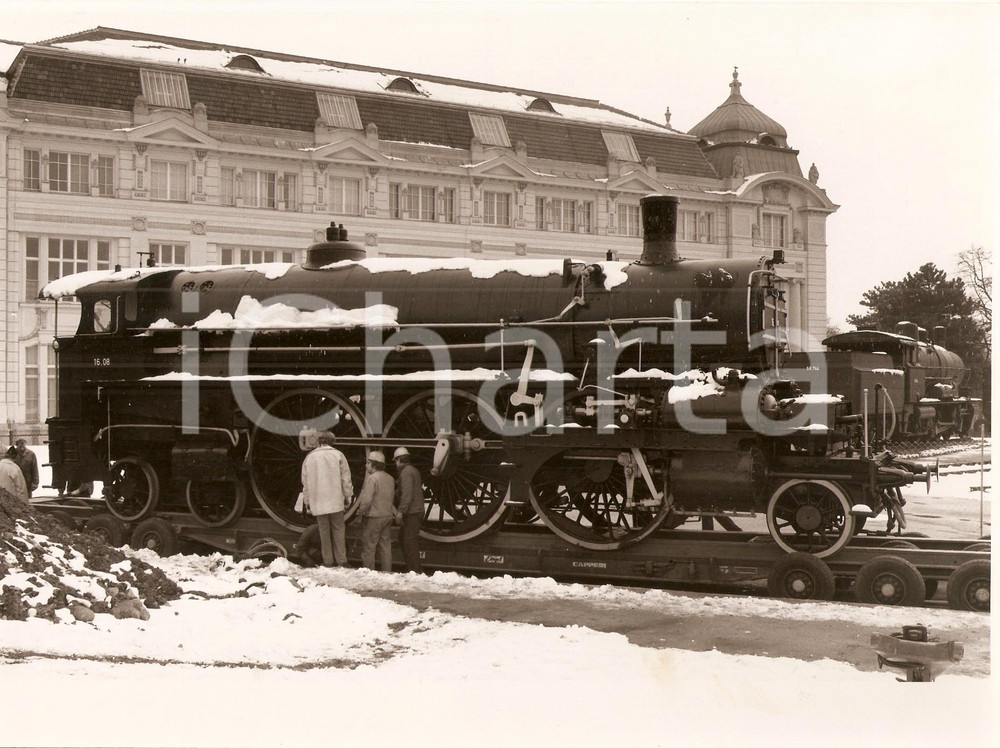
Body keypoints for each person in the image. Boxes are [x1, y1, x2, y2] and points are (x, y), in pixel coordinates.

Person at [300, 431, 354, 568]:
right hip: (336, 501)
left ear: (319, 441)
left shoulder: (309, 457)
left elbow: (305, 483)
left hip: (318, 503)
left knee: (324, 532)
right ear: (332, 441)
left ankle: (328, 561)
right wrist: (348, 496)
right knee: (339, 530)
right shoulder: (338, 455)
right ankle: (342, 560)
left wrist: (307, 502)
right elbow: (345, 479)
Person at [356, 450, 396, 572]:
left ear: (374, 464)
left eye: (368, 463)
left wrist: (360, 511)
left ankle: (369, 573)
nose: (366, 465)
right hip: (387, 516)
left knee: (369, 547)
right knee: (385, 546)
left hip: (374, 517)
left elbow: (367, 500)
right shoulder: (390, 478)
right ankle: (387, 572)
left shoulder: (372, 479)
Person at [393, 447, 424, 573]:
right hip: (416, 510)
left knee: (409, 542)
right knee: (405, 539)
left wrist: (400, 511)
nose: (395, 465)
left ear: (399, 459)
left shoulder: (405, 472)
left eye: (395, 461)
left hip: (412, 512)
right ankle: (412, 569)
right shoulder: (413, 470)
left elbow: (407, 493)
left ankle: (415, 571)